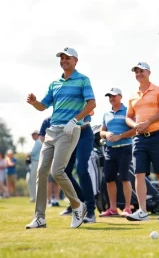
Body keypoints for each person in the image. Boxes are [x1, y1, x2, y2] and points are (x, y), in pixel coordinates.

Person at [25, 47, 96, 229]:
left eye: (68, 58)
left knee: (57, 171)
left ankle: (78, 205)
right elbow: (44, 106)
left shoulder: (83, 80)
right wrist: (34, 103)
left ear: (76, 61)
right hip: (52, 131)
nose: (64, 60)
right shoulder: (55, 83)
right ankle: (40, 217)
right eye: (62, 58)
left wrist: (75, 120)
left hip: (69, 130)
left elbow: (92, 104)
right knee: (41, 171)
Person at [125, 62, 159, 221]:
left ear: (149, 72)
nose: (138, 73)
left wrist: (147, 122)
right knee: (138, 173)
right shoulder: (132, 95)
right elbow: (128, 118)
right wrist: (136, 126)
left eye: (141, 71)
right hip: (139, 139)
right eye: (136, 71)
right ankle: (143, 210)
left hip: (157, 136)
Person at [100, 88, 135, 217]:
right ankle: (113, 208)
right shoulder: (106, 114)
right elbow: (101, 132)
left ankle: (127, 208)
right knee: (109, 178)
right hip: (109, 149)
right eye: (109, 96)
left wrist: (120, 136)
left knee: (124, 177)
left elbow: (135, 130)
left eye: (114, 96)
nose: (111, 98)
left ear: (120, 96)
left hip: (125, 147)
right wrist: (106, 133)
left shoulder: (128, 111)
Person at [62, 113, 97, 223]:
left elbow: (91, 110)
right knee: (64, 172)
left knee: (81, 169)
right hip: (69, 136)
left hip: (84, 134)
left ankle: (90, 210)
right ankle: (81, 200)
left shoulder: (83, 96)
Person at [39, 117, 61, 207]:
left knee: (57, 178)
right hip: (49, 152)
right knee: (49, 180)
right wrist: (50, 145)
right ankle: (48, 200)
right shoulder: (47, 121)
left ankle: (55, 199)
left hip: (59, 152)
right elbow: (41, 136)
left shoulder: (62, 119)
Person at [26, 130, 42, 202]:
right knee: (30, 180)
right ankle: (33, 196)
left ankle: (35, 197)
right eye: (32, 135)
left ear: (37, 135)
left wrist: (28, 153)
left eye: (34, 134)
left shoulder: (38, 142)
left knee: (33, 179)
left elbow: (33, 152)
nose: (33, 136)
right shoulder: (36, 142)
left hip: (36, 162)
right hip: (33, 162)